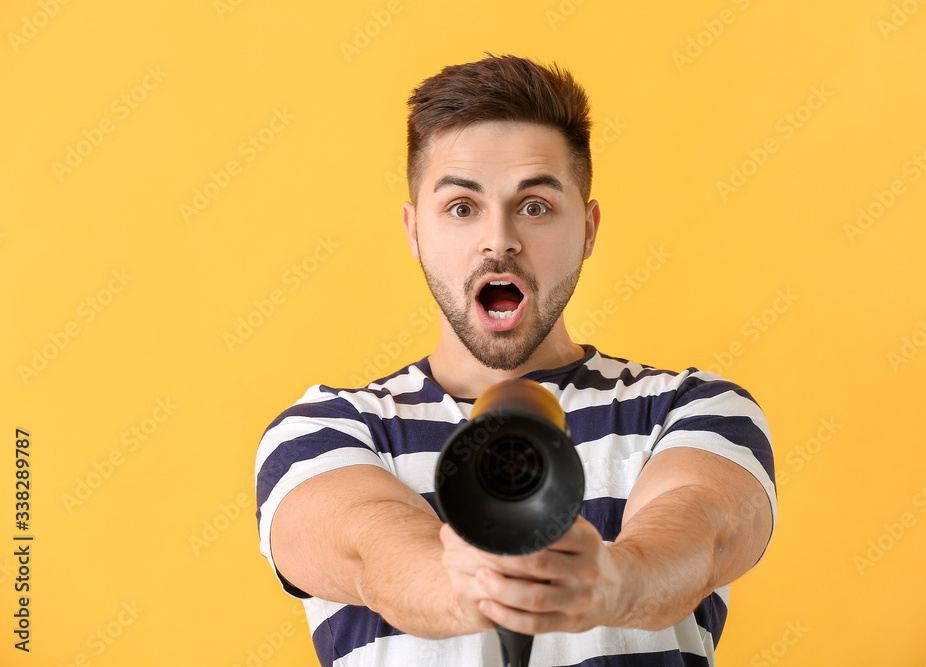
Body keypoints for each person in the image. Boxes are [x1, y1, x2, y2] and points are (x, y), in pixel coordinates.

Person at [255, 54, 776, 666]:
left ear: (587, 228)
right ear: (414, 231)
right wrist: (467, 583)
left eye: (534, 205)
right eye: (460, 206)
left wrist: (615, 580)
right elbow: (372, 554)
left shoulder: (695, 410)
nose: (499, 238)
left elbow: (701, 533)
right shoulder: (325, 429)